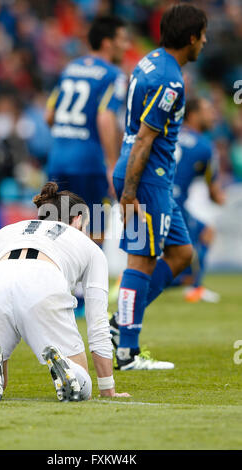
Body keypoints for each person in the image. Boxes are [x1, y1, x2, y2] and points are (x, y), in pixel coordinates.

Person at [0, 182, 129, 402]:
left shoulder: (4, 232)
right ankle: (69, 371)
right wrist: (107, 388)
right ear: (78, 219)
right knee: (83, 386)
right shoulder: (87, 245)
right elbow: (98, 324)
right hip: (43, 280)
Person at [110, 3, 208, 370]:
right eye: (202, 35)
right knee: (142, 258)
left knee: (182, 254)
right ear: (191, 38)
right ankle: (127, 352)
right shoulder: (170, 80)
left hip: (151, 177)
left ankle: (121, 323)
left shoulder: (150, 60)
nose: (205, 42)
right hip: (147, 176)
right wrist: (130, 194)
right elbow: (144, 139)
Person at [45, 15, 129, 245]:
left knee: (57, 232)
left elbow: (49, 115)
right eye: (122, 39)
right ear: (107, 42)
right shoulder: (114, 75)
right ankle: (91, 282)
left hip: (58, 160)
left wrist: (68, 133)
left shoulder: (70, 68)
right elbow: (105, 117)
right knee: (95, 232)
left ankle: (57, 281)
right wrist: (112, 164)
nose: (126, 45)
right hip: (89, 164)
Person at [172, 97, 226, 302]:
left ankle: (191, 284)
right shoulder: (204, 146)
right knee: (202, 236)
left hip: (156, 195)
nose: (213, 115)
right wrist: (221, 198)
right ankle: (193, 287)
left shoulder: (168, 133)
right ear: (193, 115)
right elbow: (214, 191)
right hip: (174, 202)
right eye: (208, 110)